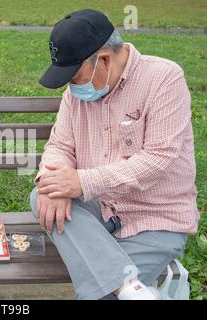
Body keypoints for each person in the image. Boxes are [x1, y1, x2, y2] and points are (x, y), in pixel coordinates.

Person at [31, 9, 199, 300]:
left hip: (154, 219)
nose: (71, 86)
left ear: (104, 59)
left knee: (99, 296)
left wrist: (83, 182)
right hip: (100, 212)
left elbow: (159, 159)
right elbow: (59, 146)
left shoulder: (164, 78)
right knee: (42, 193)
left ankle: (119, 287)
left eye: (74, 75)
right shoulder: (76, 95)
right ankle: (129, 288)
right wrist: (53, 181)